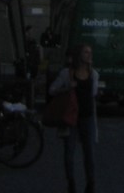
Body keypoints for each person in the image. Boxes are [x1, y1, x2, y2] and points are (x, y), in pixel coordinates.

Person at [49, 44, 98, 193]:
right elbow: (52, 90)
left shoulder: (93, 74)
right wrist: (67, 87)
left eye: (90, 52)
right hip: (71, 118)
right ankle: (71, 183)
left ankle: (91, 184)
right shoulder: (67, 73)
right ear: (79, 55)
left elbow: (93, 96)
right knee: (69, 154)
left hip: (87, 117)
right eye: (86, 52)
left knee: (90, 154)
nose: (89, 55)